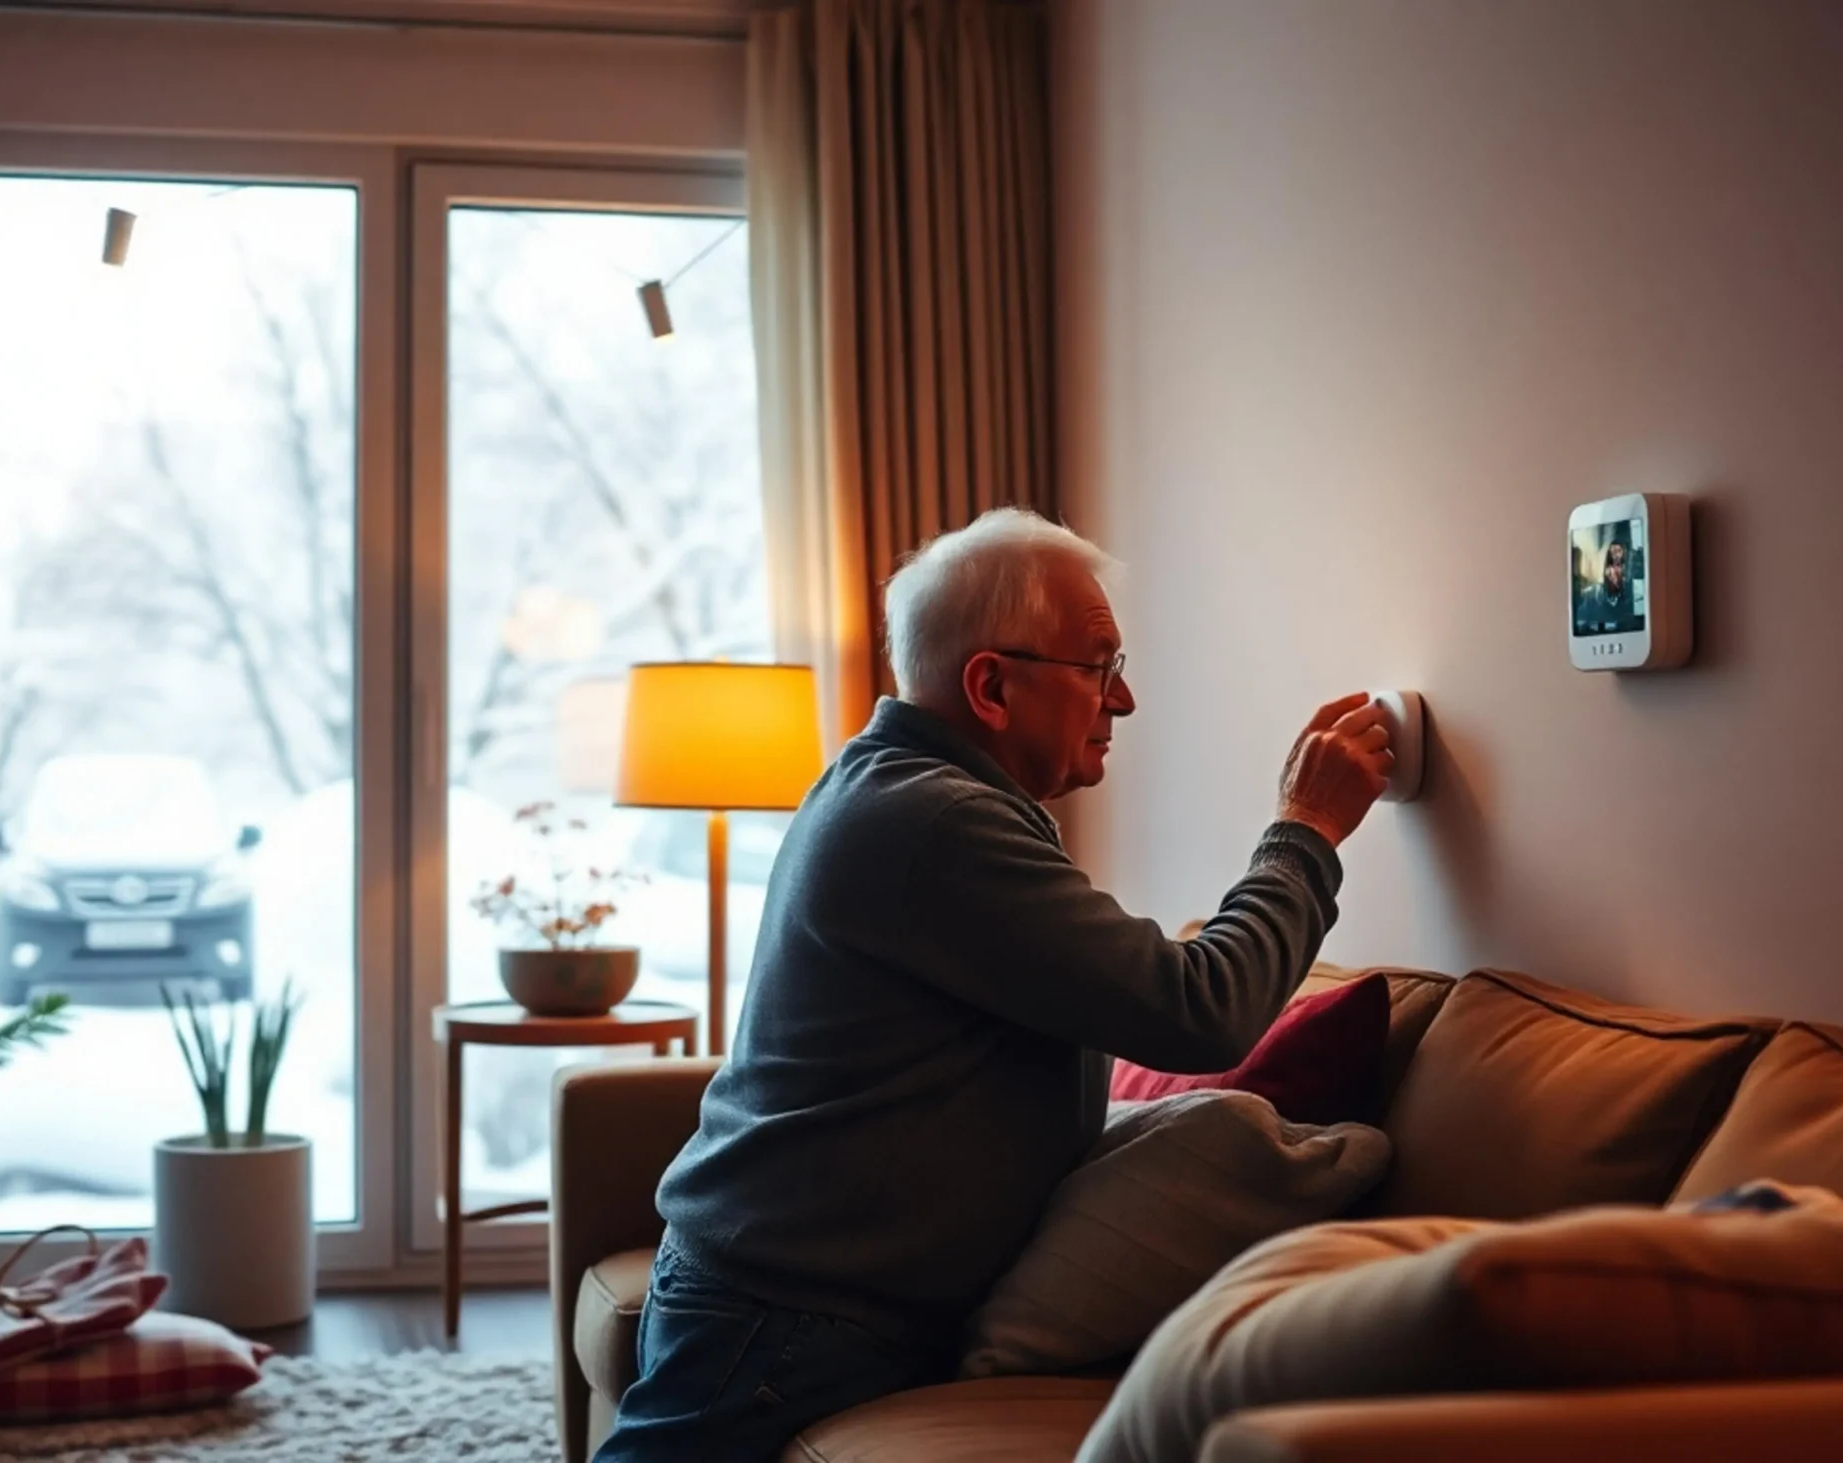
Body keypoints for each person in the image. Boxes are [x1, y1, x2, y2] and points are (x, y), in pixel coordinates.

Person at [594, 507, 1394, 1463]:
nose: (1124, 699)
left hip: (769, 1295)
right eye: (1100, 666)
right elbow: (1202, 1007)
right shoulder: (934, 822)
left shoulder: (895, 787)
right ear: (991, 685)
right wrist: (1305, 828)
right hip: (789, 1319)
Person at [1574, 540, 1642, 634]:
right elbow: (1581, 626)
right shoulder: (1590, 598)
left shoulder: (1635, 599)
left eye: (1620, 565)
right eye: (1611, 564)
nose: (1614, 571)